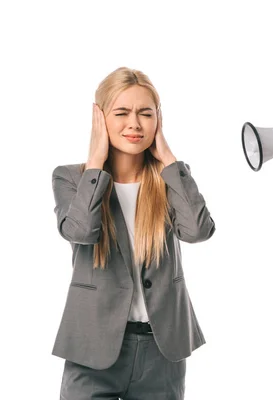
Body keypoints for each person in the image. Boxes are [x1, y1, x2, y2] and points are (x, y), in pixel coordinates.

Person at [51, 67, 215, 399]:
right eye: (122, 112)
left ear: (159, 120)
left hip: (162, 350)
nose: (135, 124)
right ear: (100, 118)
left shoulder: (171, 178)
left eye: (146, 113)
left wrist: (168, 157)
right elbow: (80, 231)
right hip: (93, 352)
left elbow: (198, 231)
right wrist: (96, 162)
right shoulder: (71, 178)